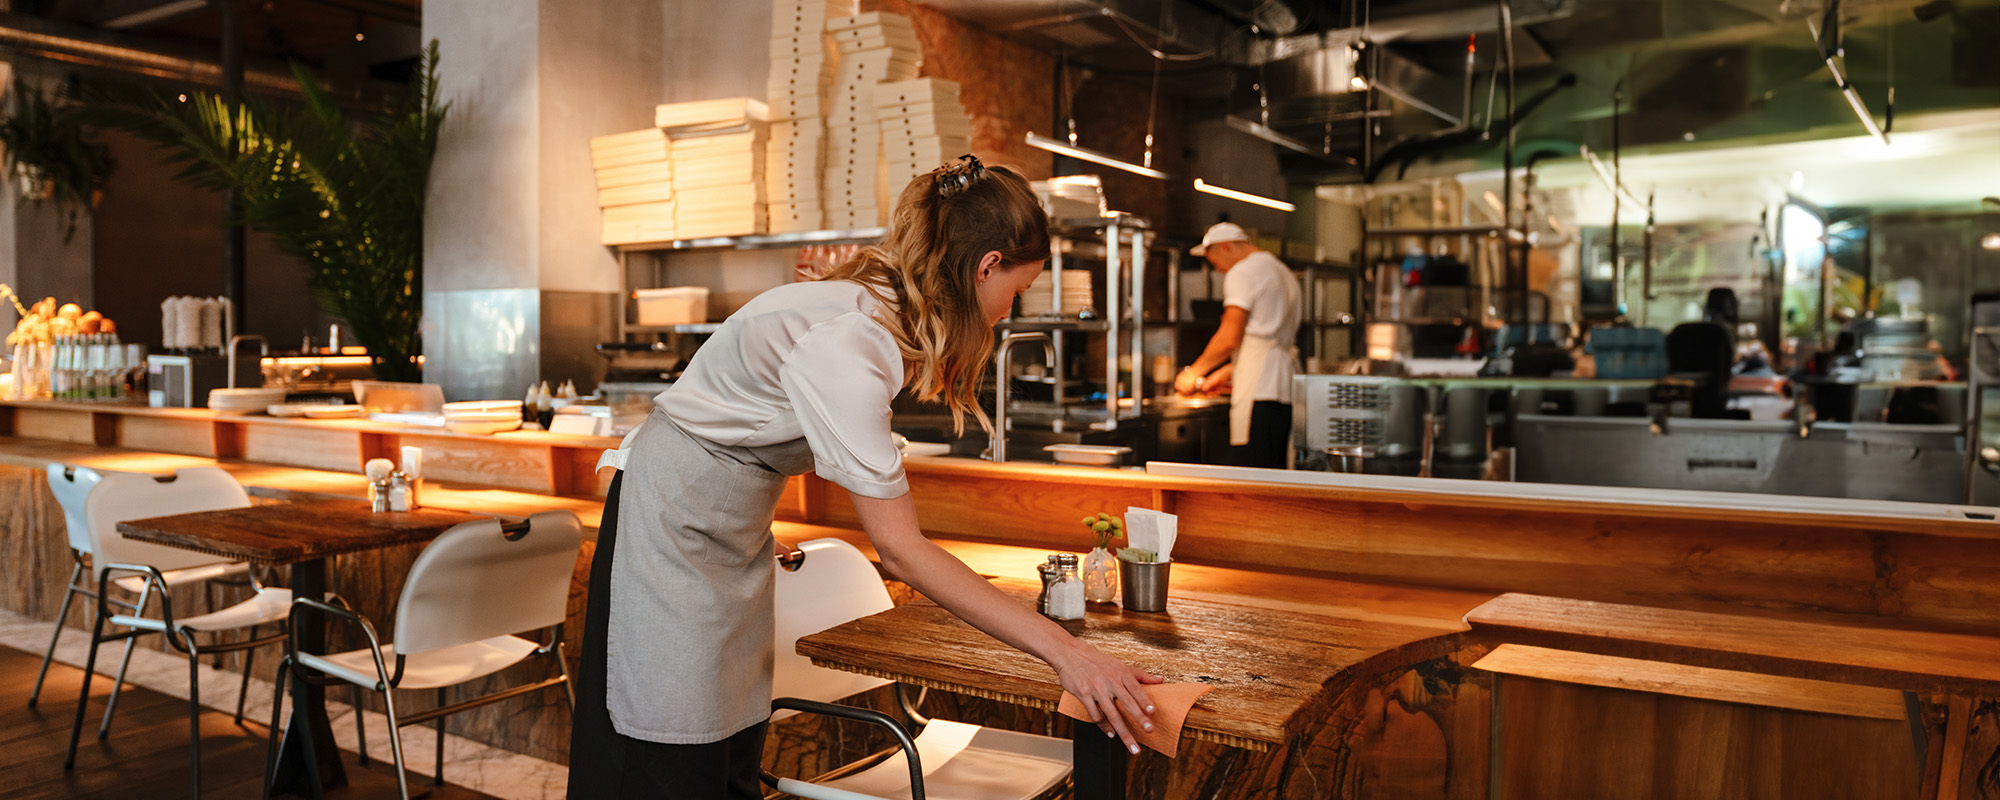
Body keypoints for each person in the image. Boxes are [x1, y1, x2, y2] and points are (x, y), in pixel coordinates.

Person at [569, 156, 1161, 799]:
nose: (1005, 314)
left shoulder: (887, 316)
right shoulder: (852, 341)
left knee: (727, 739)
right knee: (667, 749)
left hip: (725, 522)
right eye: (1014, 292)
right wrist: (1067, 653)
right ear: (986, 266)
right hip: (670, 522)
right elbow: (901, 550)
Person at [1174, 222, 1301, 469]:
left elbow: (1229, 337)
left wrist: (1193, 373)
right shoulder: (1281, 270)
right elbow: (1267, 339)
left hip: (1260, 389)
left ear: (1226, 246)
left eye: (1215, 262)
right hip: (1283, 384)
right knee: (1273, 469)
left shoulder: (1243, 272)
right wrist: (1225, 372)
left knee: (1251, 473)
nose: (1219, 270)